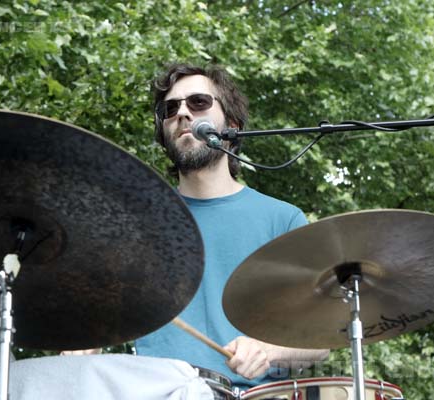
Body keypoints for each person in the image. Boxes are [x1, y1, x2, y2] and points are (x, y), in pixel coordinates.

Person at [133, 63, 329, 389]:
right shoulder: (139, 219)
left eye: (198, 102)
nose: (182, 112)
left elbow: (320, 338)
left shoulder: (283, 219)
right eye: (170, 108)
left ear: (232, 126)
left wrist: (268, 349)